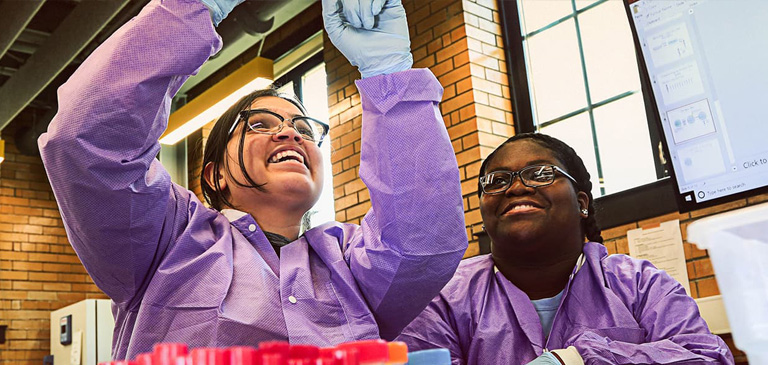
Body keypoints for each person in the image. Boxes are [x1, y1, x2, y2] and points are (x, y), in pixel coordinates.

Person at [39, 0, 467, 360]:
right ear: (216, 175)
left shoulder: (349, 261)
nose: (290, 134)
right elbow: (88, 141)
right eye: (260, 124)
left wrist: (387, 74)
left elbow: (422, 242)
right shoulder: (166, 241)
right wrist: (192, 7)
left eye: (304, 128)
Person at [397, 133, 734, 364]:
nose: (515, 188)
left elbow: (707, 357)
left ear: (581, 203)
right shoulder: (443, 299)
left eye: (540, 173)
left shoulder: (639, 285)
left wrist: (580, 358)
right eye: (497, 181)